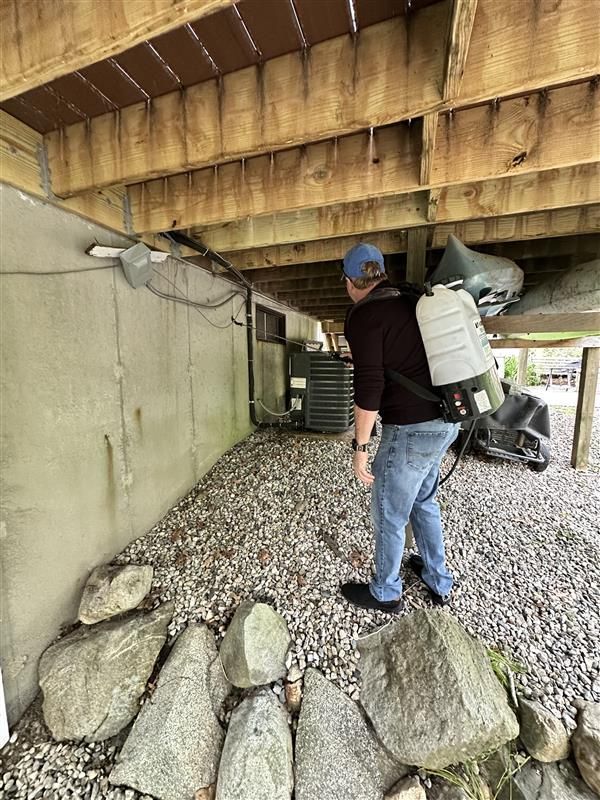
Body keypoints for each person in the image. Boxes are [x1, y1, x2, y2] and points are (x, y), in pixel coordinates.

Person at [340, 243, 458, 613]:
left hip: (410, 431)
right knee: (424, 501)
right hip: (446, 421)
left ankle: (386, 591)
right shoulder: (409, 300)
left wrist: (361, 447)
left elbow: (369, 389)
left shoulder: (363, 316)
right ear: (381, 273)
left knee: (389, 513)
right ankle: (438, 579)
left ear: (349, 281)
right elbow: (403, 358)